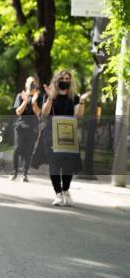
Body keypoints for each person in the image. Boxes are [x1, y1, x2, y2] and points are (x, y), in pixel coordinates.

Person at [39, 70, 90, 206]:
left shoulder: (74, 97)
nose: (65, 80)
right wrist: (50, 98)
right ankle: (58, 194)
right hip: (51, 133)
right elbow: (45, 112)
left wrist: (83, 101)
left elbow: (78, 115)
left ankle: (66, 190)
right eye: (63, 78)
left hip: (69, 134)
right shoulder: (50, 95)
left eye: (68, 78)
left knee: (68, 166)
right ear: (57, 79)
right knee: (54, 165)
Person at [10, 76, 41, 182]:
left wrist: (33, 102)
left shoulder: (39, 96)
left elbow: (38, 112)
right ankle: (14, 172)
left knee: (28, 151)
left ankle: (24, 174)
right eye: (30, 82)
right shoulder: (20, 95)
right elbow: (18, 111)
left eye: (34, 82)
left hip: (33, 128)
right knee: (17, 149)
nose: (32, 84)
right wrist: (25, 101)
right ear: (26, 84)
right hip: (20, 127)